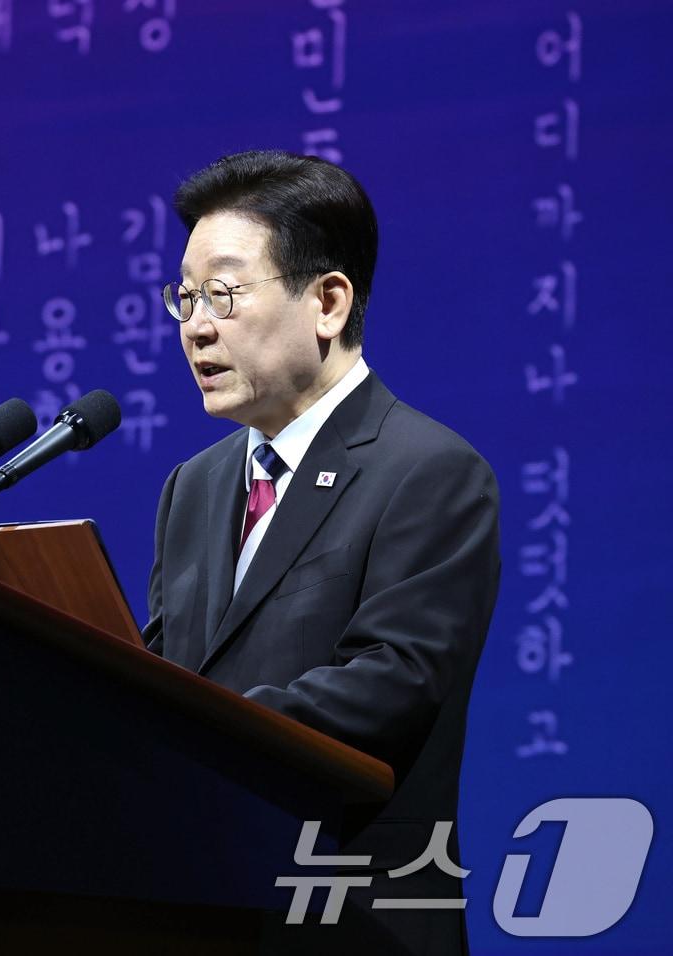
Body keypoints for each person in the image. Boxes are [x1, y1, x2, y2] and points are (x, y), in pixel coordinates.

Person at [142, 150, 501, 954]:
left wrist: (188, 734)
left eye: (225, 293)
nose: (196, 324)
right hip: (196, 912)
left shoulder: (428, 471)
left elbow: (393, 682)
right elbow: (164, 670)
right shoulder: (192, 488)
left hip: (352, 922)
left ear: (328, 301)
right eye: (186, 296)